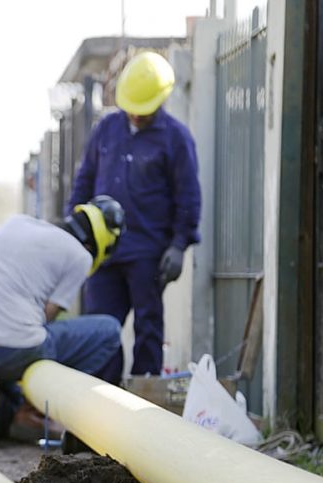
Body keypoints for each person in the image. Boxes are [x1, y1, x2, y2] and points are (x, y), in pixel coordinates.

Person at [0, 196, 126, 445]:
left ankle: (4, 408)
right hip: (12, 351)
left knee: (13, 358)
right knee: (109, 331)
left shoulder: (16, 223)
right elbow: (46, 316)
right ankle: (40, 409)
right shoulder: (80, 256)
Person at [66, 51, 201, 383]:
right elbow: (84, 180)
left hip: (148, 253)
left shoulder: (175, 139)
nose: (137, 117)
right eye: (133, 110)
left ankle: (144, 405)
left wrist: (179, 245)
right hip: (102, 253)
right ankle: (100, 403)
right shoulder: (107, 130)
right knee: (100, 328)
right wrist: (74, 228)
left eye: (145, 111)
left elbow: (188, 195)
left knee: (148, 328)